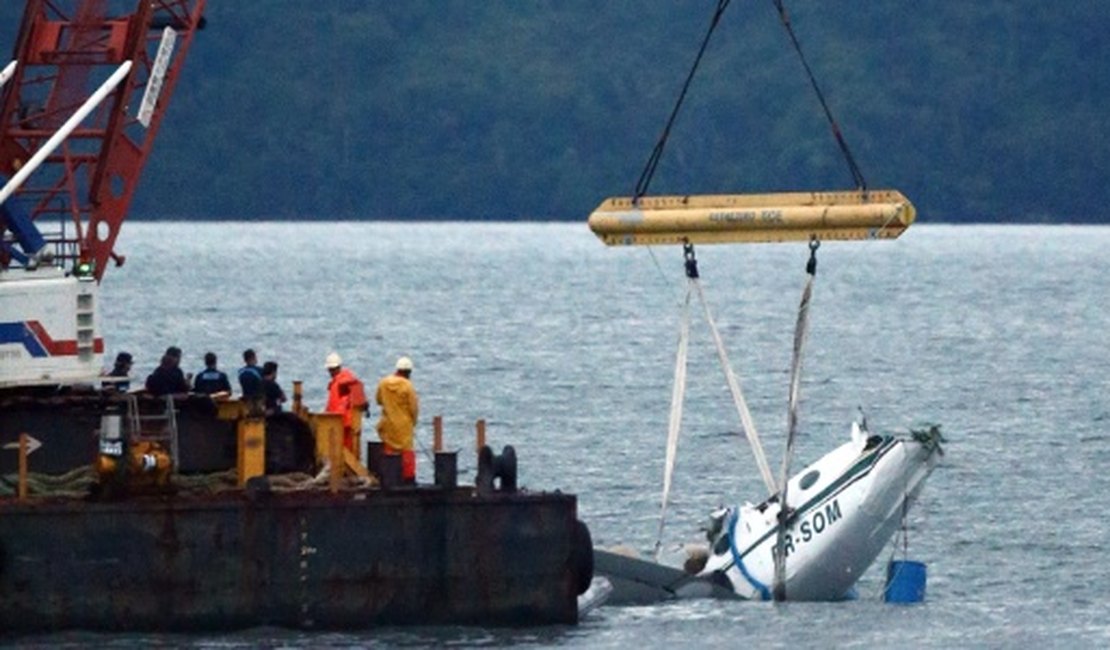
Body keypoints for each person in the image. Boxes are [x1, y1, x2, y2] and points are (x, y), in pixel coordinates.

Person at [376, 356, 419, 484]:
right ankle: (408, 479)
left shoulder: (383, 383)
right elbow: (414, 408)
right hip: (404, 425)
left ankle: (390, 477)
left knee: (389, 450)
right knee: (407, 452)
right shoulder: (408, 386)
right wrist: (413, 422)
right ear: (409, 372)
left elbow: (378, 400)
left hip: (388, 424)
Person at [325, 352, 367, 453]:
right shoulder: (350, 379)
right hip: (352, 422)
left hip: (341, 422)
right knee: (349, 451)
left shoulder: (338, 384)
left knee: (341, 451)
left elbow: (334, 406)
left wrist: (328, 418)